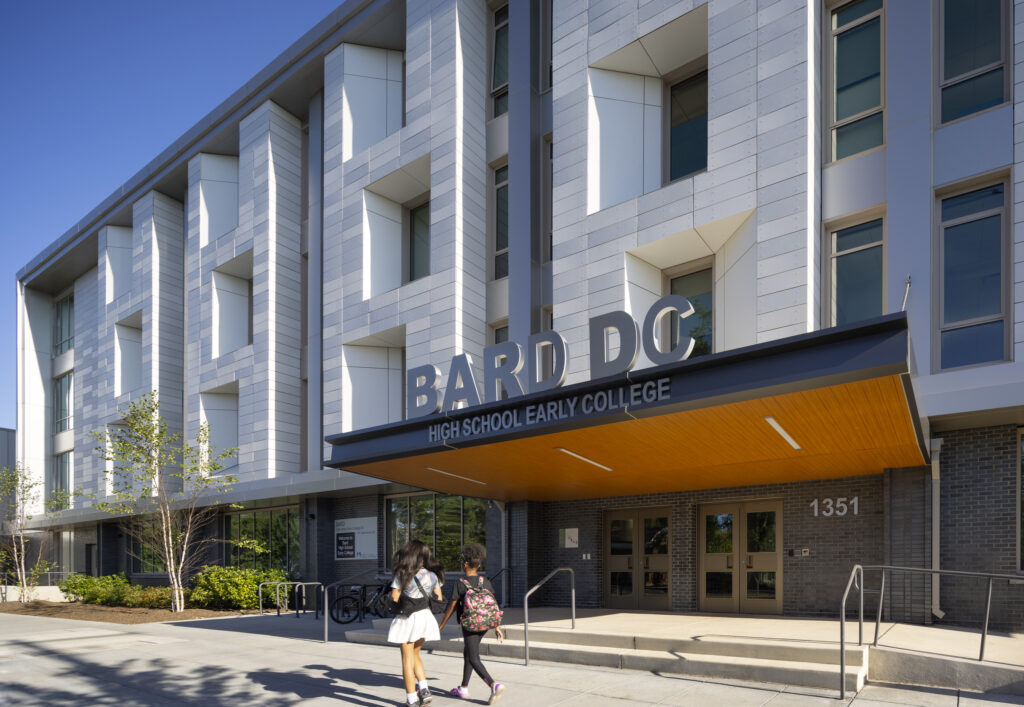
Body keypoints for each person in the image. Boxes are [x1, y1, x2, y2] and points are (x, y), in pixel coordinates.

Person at [438, 542, 506, 704]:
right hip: (485, 624)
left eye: (463, 562)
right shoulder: (485, 581)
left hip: (470, 625)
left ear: (466, 564)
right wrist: (497, 626)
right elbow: (491, 605)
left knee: (474, 657)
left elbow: (452, 607)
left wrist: (440, 626)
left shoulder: (460, 583)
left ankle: (493, 685)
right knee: (468, 653)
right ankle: (463, 688)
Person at [388, 540, 445, 706]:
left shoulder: (402, 574)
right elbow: (439, 599)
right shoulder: (433, 575)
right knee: (415, 655)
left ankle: (411, 698)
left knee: (406, 659)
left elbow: (394, 598)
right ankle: (424, 689)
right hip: (426, 618)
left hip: (407, 619)